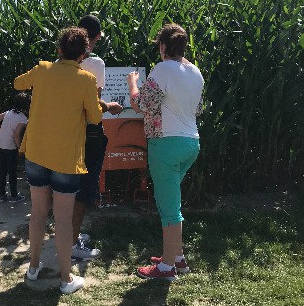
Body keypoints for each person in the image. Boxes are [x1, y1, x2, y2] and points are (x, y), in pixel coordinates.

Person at [14, 27, 102, 294]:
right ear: (84, 54)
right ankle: (66, 279)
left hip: (37, 153)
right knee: (63, 220)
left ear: (59, 49)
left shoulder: (42, 70)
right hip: (66, 159)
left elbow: (18, 83)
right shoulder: (86, 79)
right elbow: (96, 118)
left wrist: (48, 71)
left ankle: (33, 266)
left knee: (38, 212)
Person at [126, 23, 204, 280]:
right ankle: (177, 257)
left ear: (163, 47)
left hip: (165, 145)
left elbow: (141, 104)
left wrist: (133, 84)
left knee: (170, 208)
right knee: (171, 201)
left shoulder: (163, 69)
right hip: (190, 143)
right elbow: (198, 109)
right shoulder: (195, 72)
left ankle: (166, 267)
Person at [71, 15, 123, 261]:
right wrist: (111, 105)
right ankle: (72, 243)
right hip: (88, 132)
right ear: (97, 37)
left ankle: (67, 235)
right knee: (84, 188)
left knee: (65, 186)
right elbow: (92, 105)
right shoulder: (96, 63)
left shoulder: (62, 59)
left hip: (64, 130)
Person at [0, 92, 31, 204]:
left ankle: (2, 195)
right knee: (12, 171)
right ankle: (14, 196)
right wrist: (20, 148)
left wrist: (1, 131)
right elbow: (16, 135)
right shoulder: (23, 118)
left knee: (3, 170)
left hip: (0, 143)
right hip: (10, 146)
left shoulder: (9, 113)